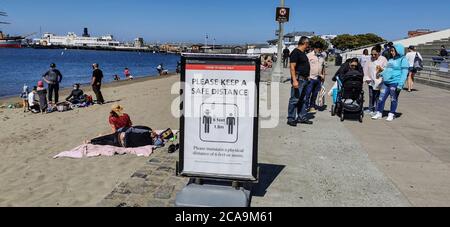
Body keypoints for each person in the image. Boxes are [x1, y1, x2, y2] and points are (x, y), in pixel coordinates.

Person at [372, 43, 409, 122]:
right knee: (381, 98)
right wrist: (380, 73)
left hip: (395, 82)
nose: (391, 52)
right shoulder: (391, 60)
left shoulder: (403, 59)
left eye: (392, 51)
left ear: (398, 50)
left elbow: (404, 73)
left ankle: (391, 113)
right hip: (386, 82)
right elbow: (387, 71)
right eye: (391, 51)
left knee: (393, 99)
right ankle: (379, 113)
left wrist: (400, 84)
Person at [287, 36, 312, 126]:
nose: (308, 46)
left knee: (303, 100)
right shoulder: (295, 52)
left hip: (304, 79)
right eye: (308, 44)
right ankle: (291, 118)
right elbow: (292, 67)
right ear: (304, 43)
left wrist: (307, 76)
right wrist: (294, 80)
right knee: (294, 99)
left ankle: (301, 117)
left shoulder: (303, 53)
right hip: (298, 79)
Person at [363, 45, 388, 115]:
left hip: (379, 81)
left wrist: (381, 69)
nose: (373, 56)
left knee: (378, 96)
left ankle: (377, 109)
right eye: (372, 54)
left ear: (379, 53)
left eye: (375, 54)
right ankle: (370, 108)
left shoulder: (383, 59)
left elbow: (386, 69)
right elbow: (365, 69)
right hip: (370, 80)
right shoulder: (369, 60)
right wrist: (366, 78)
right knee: (371, 95)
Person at [89, 126, 165, 148]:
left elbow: (132, 129)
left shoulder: (146, 132)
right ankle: (93, 142)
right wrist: (158, 138)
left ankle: (91, 141)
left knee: (105, 137)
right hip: (122, 144)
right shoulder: (150, 143)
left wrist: (123, 132)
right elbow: (159, 143)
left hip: (121, 136)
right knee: (105, 142)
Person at [306, 41, 325, 113]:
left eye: (321, 50)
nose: (320, 51)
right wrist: (307, 76)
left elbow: (323, 67)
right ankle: (305, 106)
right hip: (310, 78)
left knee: (315, 94)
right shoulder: (309, 55)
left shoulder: (322, 57)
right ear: (315, 48)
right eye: (319, 49)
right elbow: (306, 67)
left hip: (318, 78)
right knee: (308, 93)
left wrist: (323, 76)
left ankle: (312, 106)